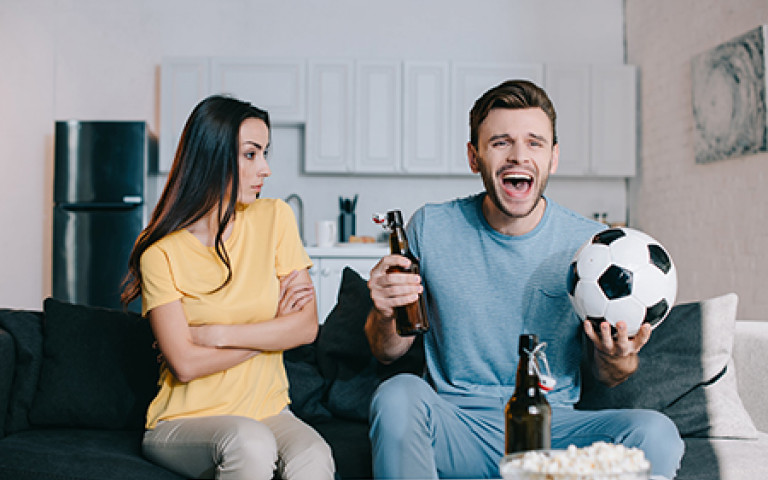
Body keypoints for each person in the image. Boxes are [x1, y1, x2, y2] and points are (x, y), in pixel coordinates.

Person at [364, 80, 684, 480]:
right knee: (396, 394)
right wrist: (382, 312)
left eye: (534, 143)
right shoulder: (432, 226)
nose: (519, 156)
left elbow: (609, 375)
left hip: (553, 431)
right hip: (459, 428)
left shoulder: (589, 246)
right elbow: (387, 351)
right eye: (500, 142)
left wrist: (618, 357)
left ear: (553, 157)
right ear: (474, 156)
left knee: (656, 433)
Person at [121, 95, 335, 480]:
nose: (266, 169)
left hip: (270, 411)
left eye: (265, 153)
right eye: (251, 154)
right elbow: (184, 364)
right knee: (250, 443)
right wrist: (271, 331)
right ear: (212, 157)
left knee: (315, 457)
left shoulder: (275, 218)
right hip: (185, 421)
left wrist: (216, 335)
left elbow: (305, 328)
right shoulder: (159, 253)